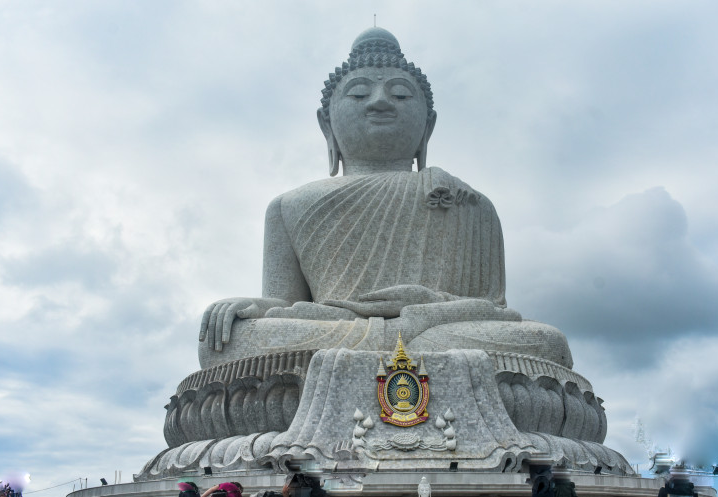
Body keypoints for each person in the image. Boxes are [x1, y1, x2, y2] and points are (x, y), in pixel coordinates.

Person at [197, 27, 572, 371]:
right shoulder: (287, 206)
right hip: (341, 328)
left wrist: (424, 304)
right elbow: (283, 302)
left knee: (546, 343)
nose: (379, 102)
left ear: (429, 124)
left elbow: (491, 311)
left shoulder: (468, 202)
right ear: (326, 123)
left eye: (400, 94)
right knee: (227, 343)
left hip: (432, 329)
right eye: (359, 92)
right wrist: (252, 310)